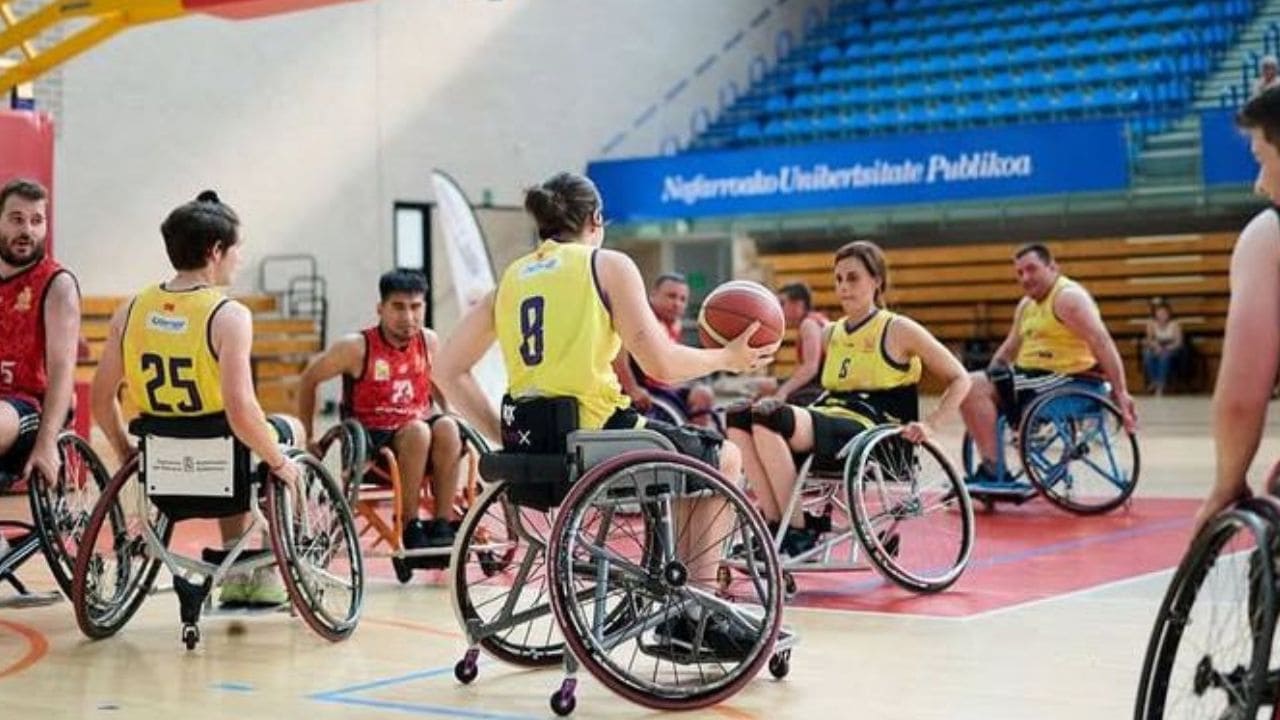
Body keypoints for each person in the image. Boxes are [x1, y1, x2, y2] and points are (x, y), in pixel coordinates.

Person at [435, 171, 776, 659]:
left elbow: (447, 370)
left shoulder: (510, 280)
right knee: (722, 457)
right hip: (599, 437)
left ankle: (683, 601)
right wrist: (727, 359)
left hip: (535, 443)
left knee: (686, 454)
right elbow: (661, 363)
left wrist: (504, 435)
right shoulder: (606, 265)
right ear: (596, 219)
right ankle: (694, 615)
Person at [91, 190, 302, 607]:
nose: (240, 257)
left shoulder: (130, 309)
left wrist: (124, 452)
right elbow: (241, 410)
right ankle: (262, 570)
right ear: (215, 250)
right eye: (237, 248)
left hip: (162, 463)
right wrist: (281, 463)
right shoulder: (229, 315)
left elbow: (101, 401)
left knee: (236, 439)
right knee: (282, 432)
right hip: (219, 462)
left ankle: (236, 561)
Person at [726, 241, 971, 555]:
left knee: (769, 416)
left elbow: (960, 377)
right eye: (838, 279)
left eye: (853, 278)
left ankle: (799, 530)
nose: (843, 287)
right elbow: (813, 385)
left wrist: (932, 424)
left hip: (872, 430)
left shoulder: (897, 329)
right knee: (738, 417)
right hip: (832, 420)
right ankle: (777, 526)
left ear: (877, 280)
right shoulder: (831, 333)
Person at [298, 268, 462, 553]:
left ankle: (442, 523)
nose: (408, 317)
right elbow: (308, 378)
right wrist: (309, 436)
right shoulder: (356, 347)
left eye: (415, 307)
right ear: (380, 308)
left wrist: (448, 411)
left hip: (418, 439)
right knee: (419, 431)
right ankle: (410, 523)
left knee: (448, 427)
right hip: (372, 445)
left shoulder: (429, 341)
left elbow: (433, 380)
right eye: (398, 307)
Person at [959, 243, 1137, 486]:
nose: (1025, 278)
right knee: (969, 386)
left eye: (1032, 269)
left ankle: (993, 469)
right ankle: (994, 466)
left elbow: (1102, 342)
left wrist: (1121, 392)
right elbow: (1010, 347)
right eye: (1020, 273)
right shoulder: (1026, 305)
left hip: (1070, 379)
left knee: (971, 384)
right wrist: (992, 373)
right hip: (1035, 378)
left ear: (1053, 267)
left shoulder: (1068, 298)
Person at [1193, 88, 1280, 534]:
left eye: (1262, 159)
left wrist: (1225, 485)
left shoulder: (1269, 237)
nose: (1259, 183)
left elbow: (1242, 398)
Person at [0, 179, 80, 485]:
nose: (27, 231)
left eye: (37, 221)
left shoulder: (57, 284)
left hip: (29, 404)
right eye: (17, 219)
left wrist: (47, 442)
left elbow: (62, 371)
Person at [612, 273, 717, 427]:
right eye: (671, 296)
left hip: (661, 386)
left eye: (682, 299)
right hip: (641, 390)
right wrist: (632, 388)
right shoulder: (637, 319)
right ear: (653, 295)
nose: (677, 303)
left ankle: (699, 441)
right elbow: (618, 355)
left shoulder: (674, 324)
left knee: (703, 394)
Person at [750, 282, 830, 406]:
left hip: (820, 390)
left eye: (782, 304)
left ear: (799, 304)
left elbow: (811, 368)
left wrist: (782, 391)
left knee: (762, 401)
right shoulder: (816, 320)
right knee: (763, 386)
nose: (779, 309)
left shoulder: (808, 324)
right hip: (819, 384)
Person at [1141, 298, 1183, 396]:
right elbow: (1149, 340)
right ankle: (1154, 381)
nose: (1162, 315)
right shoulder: (1151, 324)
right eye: (1159, 313)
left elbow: (1178, 342)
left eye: (1164, 313)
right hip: (1156, 346)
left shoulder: (1175, 324)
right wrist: (1156, 347)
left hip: (1171, 347)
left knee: (1164, 356)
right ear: (1155, 314)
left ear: (1169, 314)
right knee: (1147, 354)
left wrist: (1167, 348)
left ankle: (1161, 384)